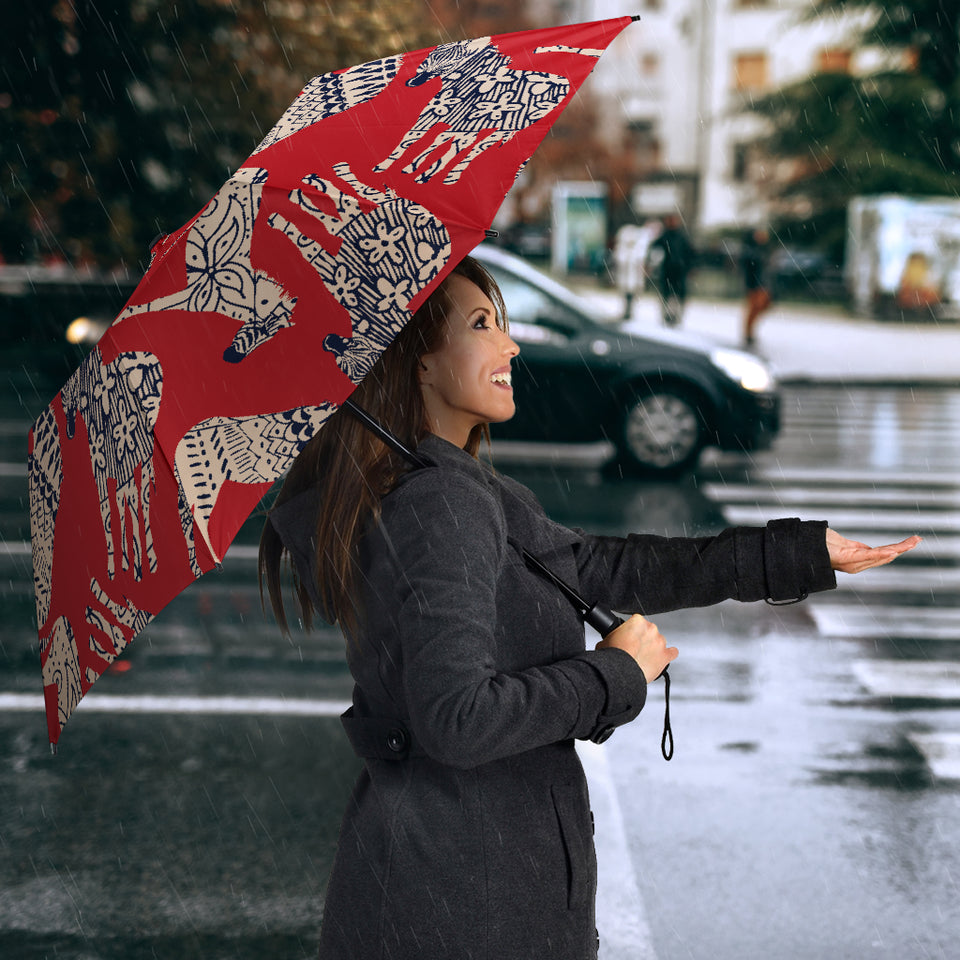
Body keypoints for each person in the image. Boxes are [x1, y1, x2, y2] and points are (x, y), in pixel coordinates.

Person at [259, 255, 919, 960]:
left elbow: (603, 568)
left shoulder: (452, 488)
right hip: (466, 903)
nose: (510, 345)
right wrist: (613, 674)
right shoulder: (439, 504)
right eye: (482, 325)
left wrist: (795, 553)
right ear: (417, 362)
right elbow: (456, 719)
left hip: (454, 884)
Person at [648, 213, 695, 327]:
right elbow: (654, 249)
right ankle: (667, 315)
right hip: (668, 270)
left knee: (677, 295)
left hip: (679, 271)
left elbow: (690, 253)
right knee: (667, 294)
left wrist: (690, 267)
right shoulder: (665, 236)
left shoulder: (681, 237)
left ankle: (675, 316)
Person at [741, 226, 773, 347]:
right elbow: (750, 265)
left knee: (762, 306)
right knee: (754, 308)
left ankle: (750, 331)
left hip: (763, 283)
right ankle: (748, 333)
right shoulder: (751, 250)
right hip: (755, 284)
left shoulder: (763, 249)